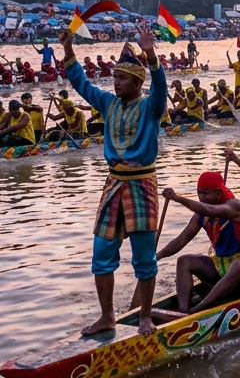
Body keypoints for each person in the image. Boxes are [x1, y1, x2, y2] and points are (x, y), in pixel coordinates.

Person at [62, 22, 167, 337]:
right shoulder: (108, 103)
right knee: (101, 253)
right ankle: (107, 316)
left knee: (144, 257)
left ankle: (145, 317)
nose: (115, 83)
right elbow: (81, 83)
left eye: (121, 78)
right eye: (114, 78)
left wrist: (150, 54)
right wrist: (68, 49)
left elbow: (160, 87)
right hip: (113, 184)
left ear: (136, 83)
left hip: (141, 184)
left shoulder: (150, 107)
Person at [156, 172, 240, 315]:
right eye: (199, 193)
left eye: (205, 193)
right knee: (184, 261)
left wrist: (177, 198)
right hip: (220, 266)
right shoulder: (200, 215)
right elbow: (181, 240)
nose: (201, 197)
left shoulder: (235, 206)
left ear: (219, 193)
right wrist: (157, 256)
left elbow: (208, 209)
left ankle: (199, 309)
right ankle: (182, 312)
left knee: (239, 266)